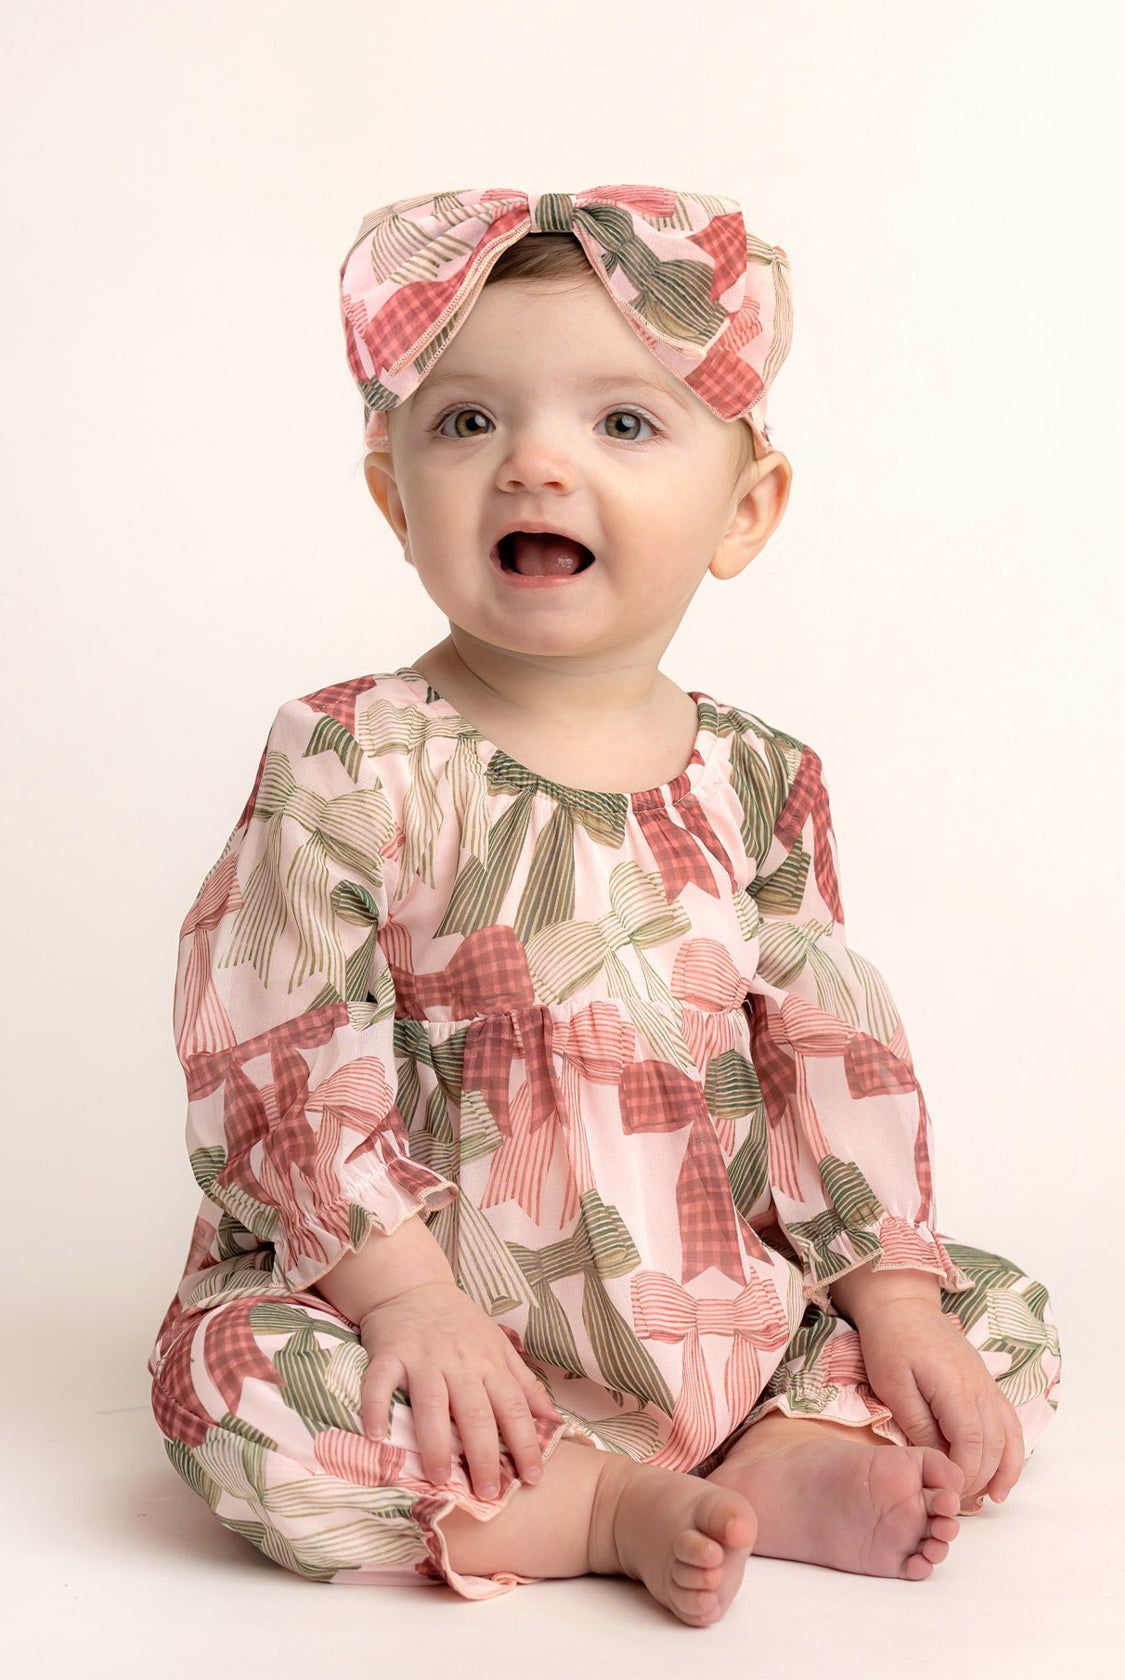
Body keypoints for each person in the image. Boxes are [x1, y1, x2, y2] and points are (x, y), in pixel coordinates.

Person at [147, 186, 1060, 1627]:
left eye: (622, 424)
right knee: (235, 1394)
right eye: (466, 424)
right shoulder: (356, 755)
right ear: (393, 493)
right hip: (436, 1329)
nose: (532, 467)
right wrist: (403, 1303)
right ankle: (589, 1503)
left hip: (712, 1306)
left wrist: (885, 1302)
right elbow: (278, 1040)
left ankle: (786, 1439)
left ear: (741, 510)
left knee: (987, 1309)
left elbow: (825, 1047)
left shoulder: (757, 776)